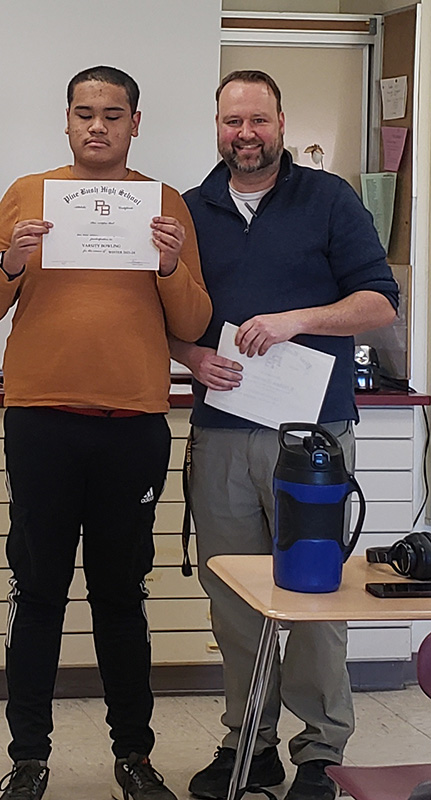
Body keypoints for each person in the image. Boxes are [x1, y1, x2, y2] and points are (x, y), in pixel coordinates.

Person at [0, 65, 211, 800]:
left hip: (133, 424)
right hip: (40, 420)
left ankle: (132, 756)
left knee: (119, 594)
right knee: (37, 590)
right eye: (83, 113)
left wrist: (168, 263)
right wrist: (11, 260)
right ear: (65, 122)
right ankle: (29, 756)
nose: (97, 126)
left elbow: (193, 324)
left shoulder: (164, 203)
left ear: (136, 122)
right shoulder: (27, 193)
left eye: (112, 114)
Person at [171, 70, 399, 800]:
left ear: (278, 122)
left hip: (313, 439)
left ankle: (320, 754)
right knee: (233, 599)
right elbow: (158, 315)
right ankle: (250, 741)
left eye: (259, 121)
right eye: (232, 121)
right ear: (216, 125)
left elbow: (377, 305)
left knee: (313, 594)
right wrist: (189, 356)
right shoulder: (186, 210)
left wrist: (300, 319)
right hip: (223, 432)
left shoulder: (329, 199)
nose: (245, 134)